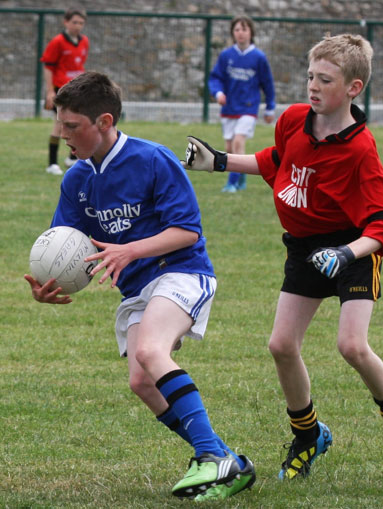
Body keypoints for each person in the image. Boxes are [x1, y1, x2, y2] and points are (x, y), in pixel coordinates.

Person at [182, 34, 383, 479]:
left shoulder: (361, 150)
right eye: (310, 76)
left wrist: (345, 252)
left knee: (352, 345)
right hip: (304, 248)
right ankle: (309, 434)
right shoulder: (295, 119)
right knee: (281, 345)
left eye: (325, 80)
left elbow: (382, 227)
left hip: (352, 248)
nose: (312, 87)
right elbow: (275, 159)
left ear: (353, 88)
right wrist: (219, 161)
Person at [24, 71, 255, 503]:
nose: (63, 134)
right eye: (61, 124)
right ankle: (229, 462)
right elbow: (68, 248)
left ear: (105, 121)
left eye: (72, 126)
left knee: (151, 351)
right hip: (136, 290)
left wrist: (130, 250)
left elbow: (186, 231)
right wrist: (50, 285)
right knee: (141, 381)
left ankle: (209, 456)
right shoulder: (76, 180)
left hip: (181, 270)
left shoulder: (152, 159)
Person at [208, 14, 275, 193]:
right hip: (229, 108)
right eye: (237, 29)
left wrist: (270, 107)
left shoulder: (258, 57)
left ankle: (232, 183)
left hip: (248, 108)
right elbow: (215, 78)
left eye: (244, 29)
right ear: (233, 33)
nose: (240, 33)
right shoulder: (226, 55)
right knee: (229, 148)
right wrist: (219, 93)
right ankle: (242, 177)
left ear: (251, 32)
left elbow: (267, 84)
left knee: (238, 142)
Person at [40, 6, 89, 175]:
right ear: (66, 22)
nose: (78, 26)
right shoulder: (57, 42)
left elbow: (78, 64)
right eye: (74, 22)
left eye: (81, 23)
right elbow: (48, 67)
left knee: (80, 123)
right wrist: (49, 91)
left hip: (77, 90)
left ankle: (72, 158)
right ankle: (52, 163)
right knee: (59, 123)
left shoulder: (84, 42)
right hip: (60, 90)